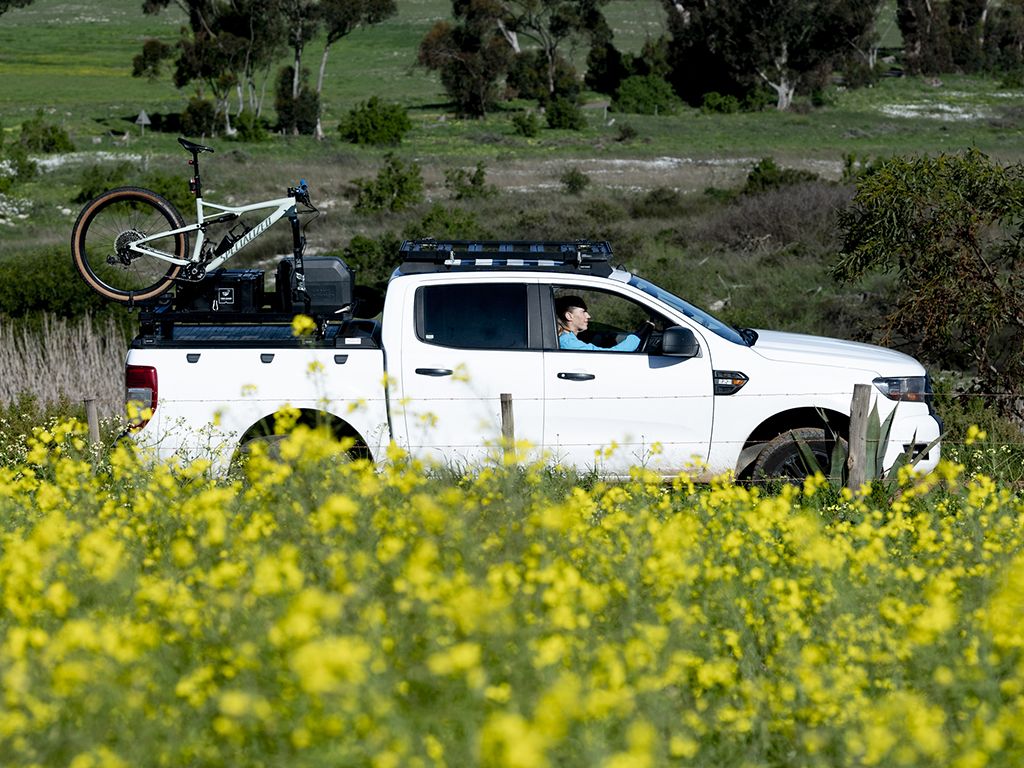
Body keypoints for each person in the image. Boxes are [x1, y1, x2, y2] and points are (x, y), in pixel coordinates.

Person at [555, 295, 642, 351]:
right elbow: (607, 355)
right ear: (569, 316)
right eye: (583, 312)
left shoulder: (567, 338)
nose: (588, 316)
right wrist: (635, 338)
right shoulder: (568, 342)